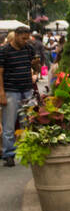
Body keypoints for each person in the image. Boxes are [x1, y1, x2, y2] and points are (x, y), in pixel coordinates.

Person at [0, 26, 38, 166]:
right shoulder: (4, 51)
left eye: (27, 38)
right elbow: (0, 73)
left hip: (27, 90)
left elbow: (35, 68)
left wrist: (36, 65)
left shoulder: (28, 49)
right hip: (11, 91)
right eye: (23, 38)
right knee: (9, 125)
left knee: (27, 122)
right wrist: (1, 93)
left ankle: (28, 151)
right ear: (16, 35)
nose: (25, 41)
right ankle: (9, 154)